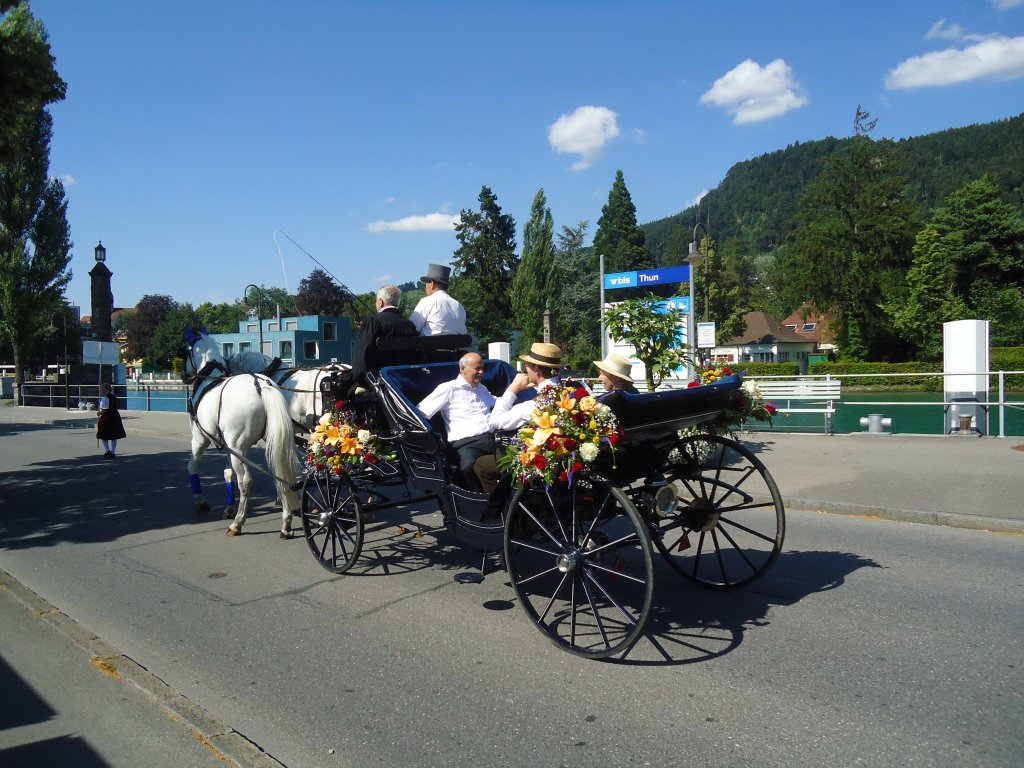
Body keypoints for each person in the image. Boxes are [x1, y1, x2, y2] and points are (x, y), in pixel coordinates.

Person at [474, 342, 563, 493]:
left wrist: (513, 389)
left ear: (536, 369)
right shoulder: (568, 389)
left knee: (481, 465)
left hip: (540, 460)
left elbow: (494, 422)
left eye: (528, 364)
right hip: (560, 455)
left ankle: (503, 511)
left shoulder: (534, 404)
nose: (525, 369)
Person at [417, 352, 495, 490]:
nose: (481, 372)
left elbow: (497, 403)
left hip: (492, 439)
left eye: (483, 368)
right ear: (462, 369)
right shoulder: (448, 388)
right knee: (468, 468)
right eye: (477, 368)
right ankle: (478, 502)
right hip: (467, 444)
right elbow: (421, 412)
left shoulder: (482, 388)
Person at [346, 284, 417, 394]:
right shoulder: (409, 325)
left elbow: (361, 356)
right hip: (404, 380)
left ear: (380, 302)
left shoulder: (373, 321)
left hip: (379, 380)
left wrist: (361, 381)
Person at [409, 263, 467, 336]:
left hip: (429, 346)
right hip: (455, 347)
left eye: (426, 283)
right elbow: (463, 332)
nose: (425, 286)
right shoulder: (459, 306)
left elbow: (412, 328)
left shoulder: (426, 302)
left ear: (432, 283)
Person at [96, 383, 126, 459]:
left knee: (103, 434)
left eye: (103, 389)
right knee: (114, 435)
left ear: (107, 390)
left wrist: (99, 412)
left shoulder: (105, 398)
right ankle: (113, 451)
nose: (101, 391)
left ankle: (108, 450)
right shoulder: (114, 396)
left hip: (107, 417)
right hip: (115, 416)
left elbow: (105, 410)